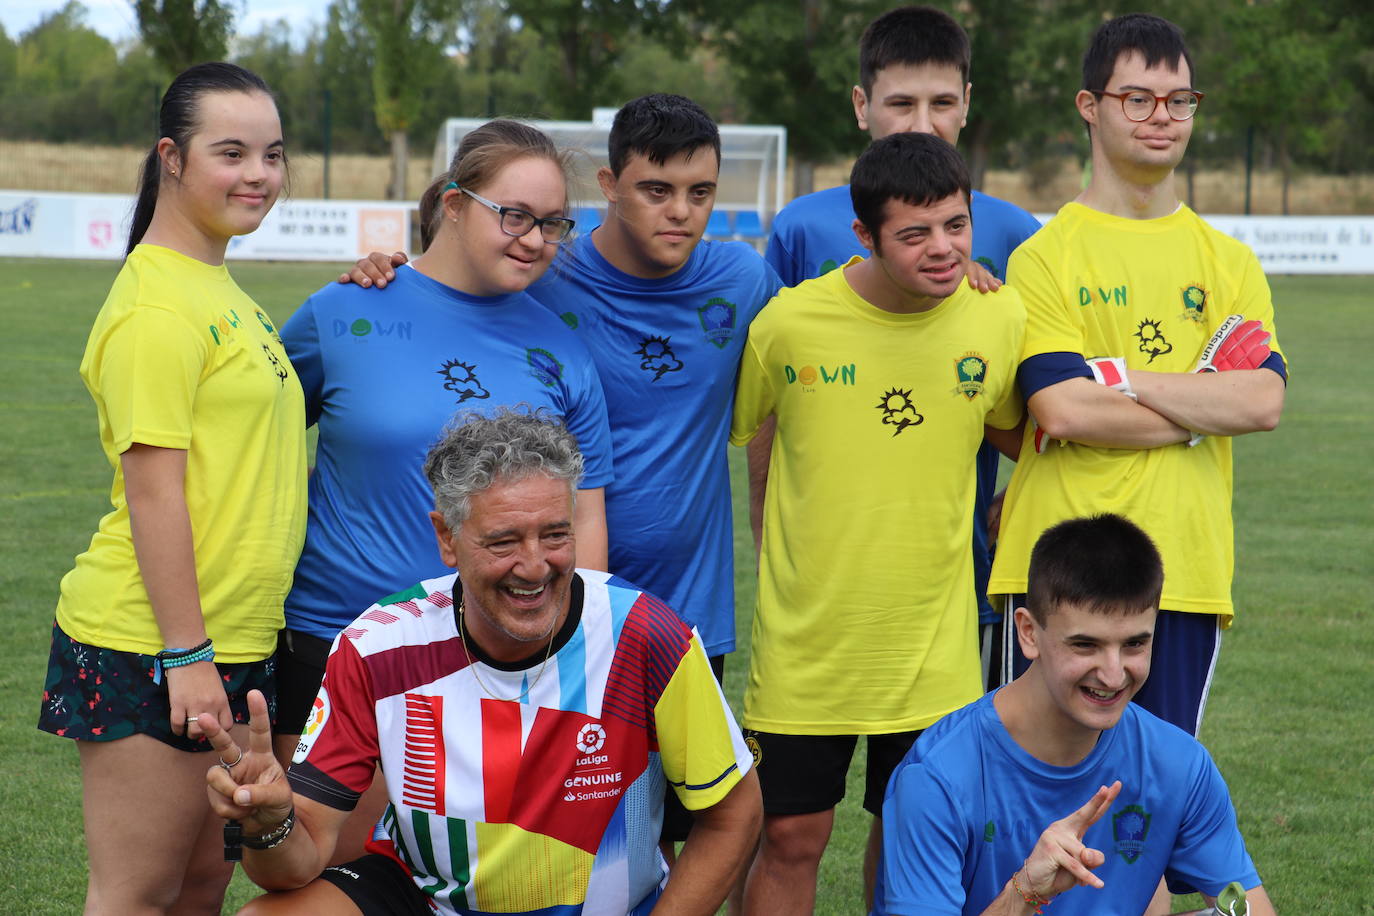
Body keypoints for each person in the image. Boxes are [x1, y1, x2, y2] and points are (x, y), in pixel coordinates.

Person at [343, 95, 782, 850]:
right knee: (547, 822)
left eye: (701, 193)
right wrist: (393, 270)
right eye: (656, 190)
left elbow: (843, 312)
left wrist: (959, 272)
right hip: (538, 591)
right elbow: (452, 282)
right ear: (610, 186)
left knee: (698, 825)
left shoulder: (743, 280)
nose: (680, 212)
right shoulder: (548, 267)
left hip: (686, 604)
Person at [201, 410, 762, 916]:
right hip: (424, 896)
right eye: (503, 542)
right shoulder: (376, 646)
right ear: (447, 537)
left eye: (556, 535)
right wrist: (270, 827)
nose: (536, 567)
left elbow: (735, 812)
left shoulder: (645, 635)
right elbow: (294, 866)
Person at [273, 120, 615, 858]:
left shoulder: (561, 347)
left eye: (552, 223)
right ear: (454, 205)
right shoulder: (344, 311)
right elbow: (249, 453)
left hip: (499, 661)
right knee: (329, 877)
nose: (534, 238)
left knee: (473, 888)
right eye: (513, 215)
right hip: (337, 643)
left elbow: (583, 523)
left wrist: (568, 661)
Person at [731, 132, 1026, 915]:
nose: (944, 250)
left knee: (915, 840)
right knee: (791, 838)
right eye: (915, 233)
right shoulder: (789, 323)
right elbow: (749, 431)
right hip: (807, 648)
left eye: (956, 226)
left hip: (934, 653)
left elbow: (1022, 431)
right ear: (863, 235)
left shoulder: (999, 319)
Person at [36, 62, 306, 913]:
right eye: (232, 152)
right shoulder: (156, 304)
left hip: (231, 641)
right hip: (154, 645)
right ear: (172, 158)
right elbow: (154, 495)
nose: (258, 174)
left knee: (199, 886)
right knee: (137, 894)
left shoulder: (216, 284)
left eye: (272, 154)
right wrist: (188, 659)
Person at [987, 13, 1287, 738]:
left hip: (1182, 572)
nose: (1163, 117)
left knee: (1148, 817)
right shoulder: (1044, 255)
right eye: (1138, 98)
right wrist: (1198, 403)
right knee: (1031, 806)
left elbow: (1262, 400)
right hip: (1057, 575)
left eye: (1179, 100)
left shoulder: (1230, 262)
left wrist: (1113, 376)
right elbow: (1061, 411)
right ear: (1091, 107)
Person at [763, 5, 1044, 693]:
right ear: (863, 106)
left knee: (930, 778)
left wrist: (1023, 495)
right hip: (825, 563)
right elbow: (770, 391)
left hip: (950, 562)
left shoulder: (1013, 232)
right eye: (900, 103)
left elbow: (1036, 397)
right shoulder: (801, 228)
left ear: (968, 105)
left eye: (942, 102)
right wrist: (765, 522)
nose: (922, 122)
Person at [874, 514, 1277, 916]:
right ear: (1028, 633)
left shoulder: (1179, 764)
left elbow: (1248, 907)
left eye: (1135, 644)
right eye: (1085, 645)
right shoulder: (938, 776)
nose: (1114, 673)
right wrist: (1026, 889)